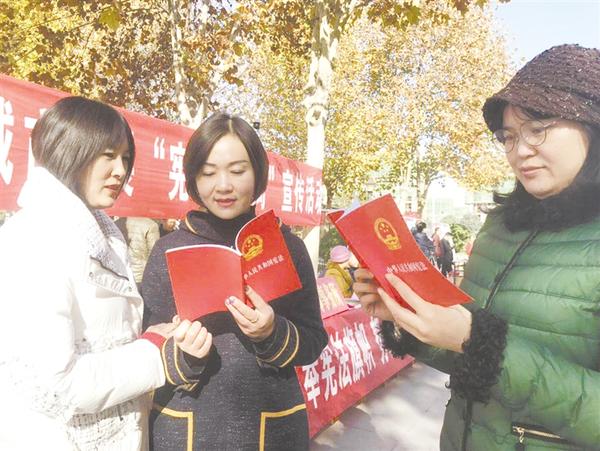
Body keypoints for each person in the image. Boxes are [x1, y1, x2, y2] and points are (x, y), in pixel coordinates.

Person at [353, 45, 600, 450]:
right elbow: (467, 353)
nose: (520, 150)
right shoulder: (500, 227)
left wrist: (479, 341)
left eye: (538, 128)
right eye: (509, 136)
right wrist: (407, 316)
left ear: (592, 123)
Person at [0, 97, 212, 450]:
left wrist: (153, 337)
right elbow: (55, 386)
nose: (120, 170)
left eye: (125, 158)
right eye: (108, 155)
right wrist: (155, 354)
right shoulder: (34, 240)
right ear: (67, 150)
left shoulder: (102, 235)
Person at [142, 112, 328, 450]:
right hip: (188, 425)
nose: (223, 185)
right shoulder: (168, 250)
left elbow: (314, 340)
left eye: (238, 171)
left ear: (258, 173)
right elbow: (148, 343)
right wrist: (183, 353)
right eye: (208, 172)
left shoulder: (288, 247)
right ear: (192, 177)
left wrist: (272, 333)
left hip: (270, 427)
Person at [115, 216, 161, 285]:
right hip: (141, 274)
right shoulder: (151, 225)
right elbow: (155, 254)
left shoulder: (116, 223)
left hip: (120, 272)